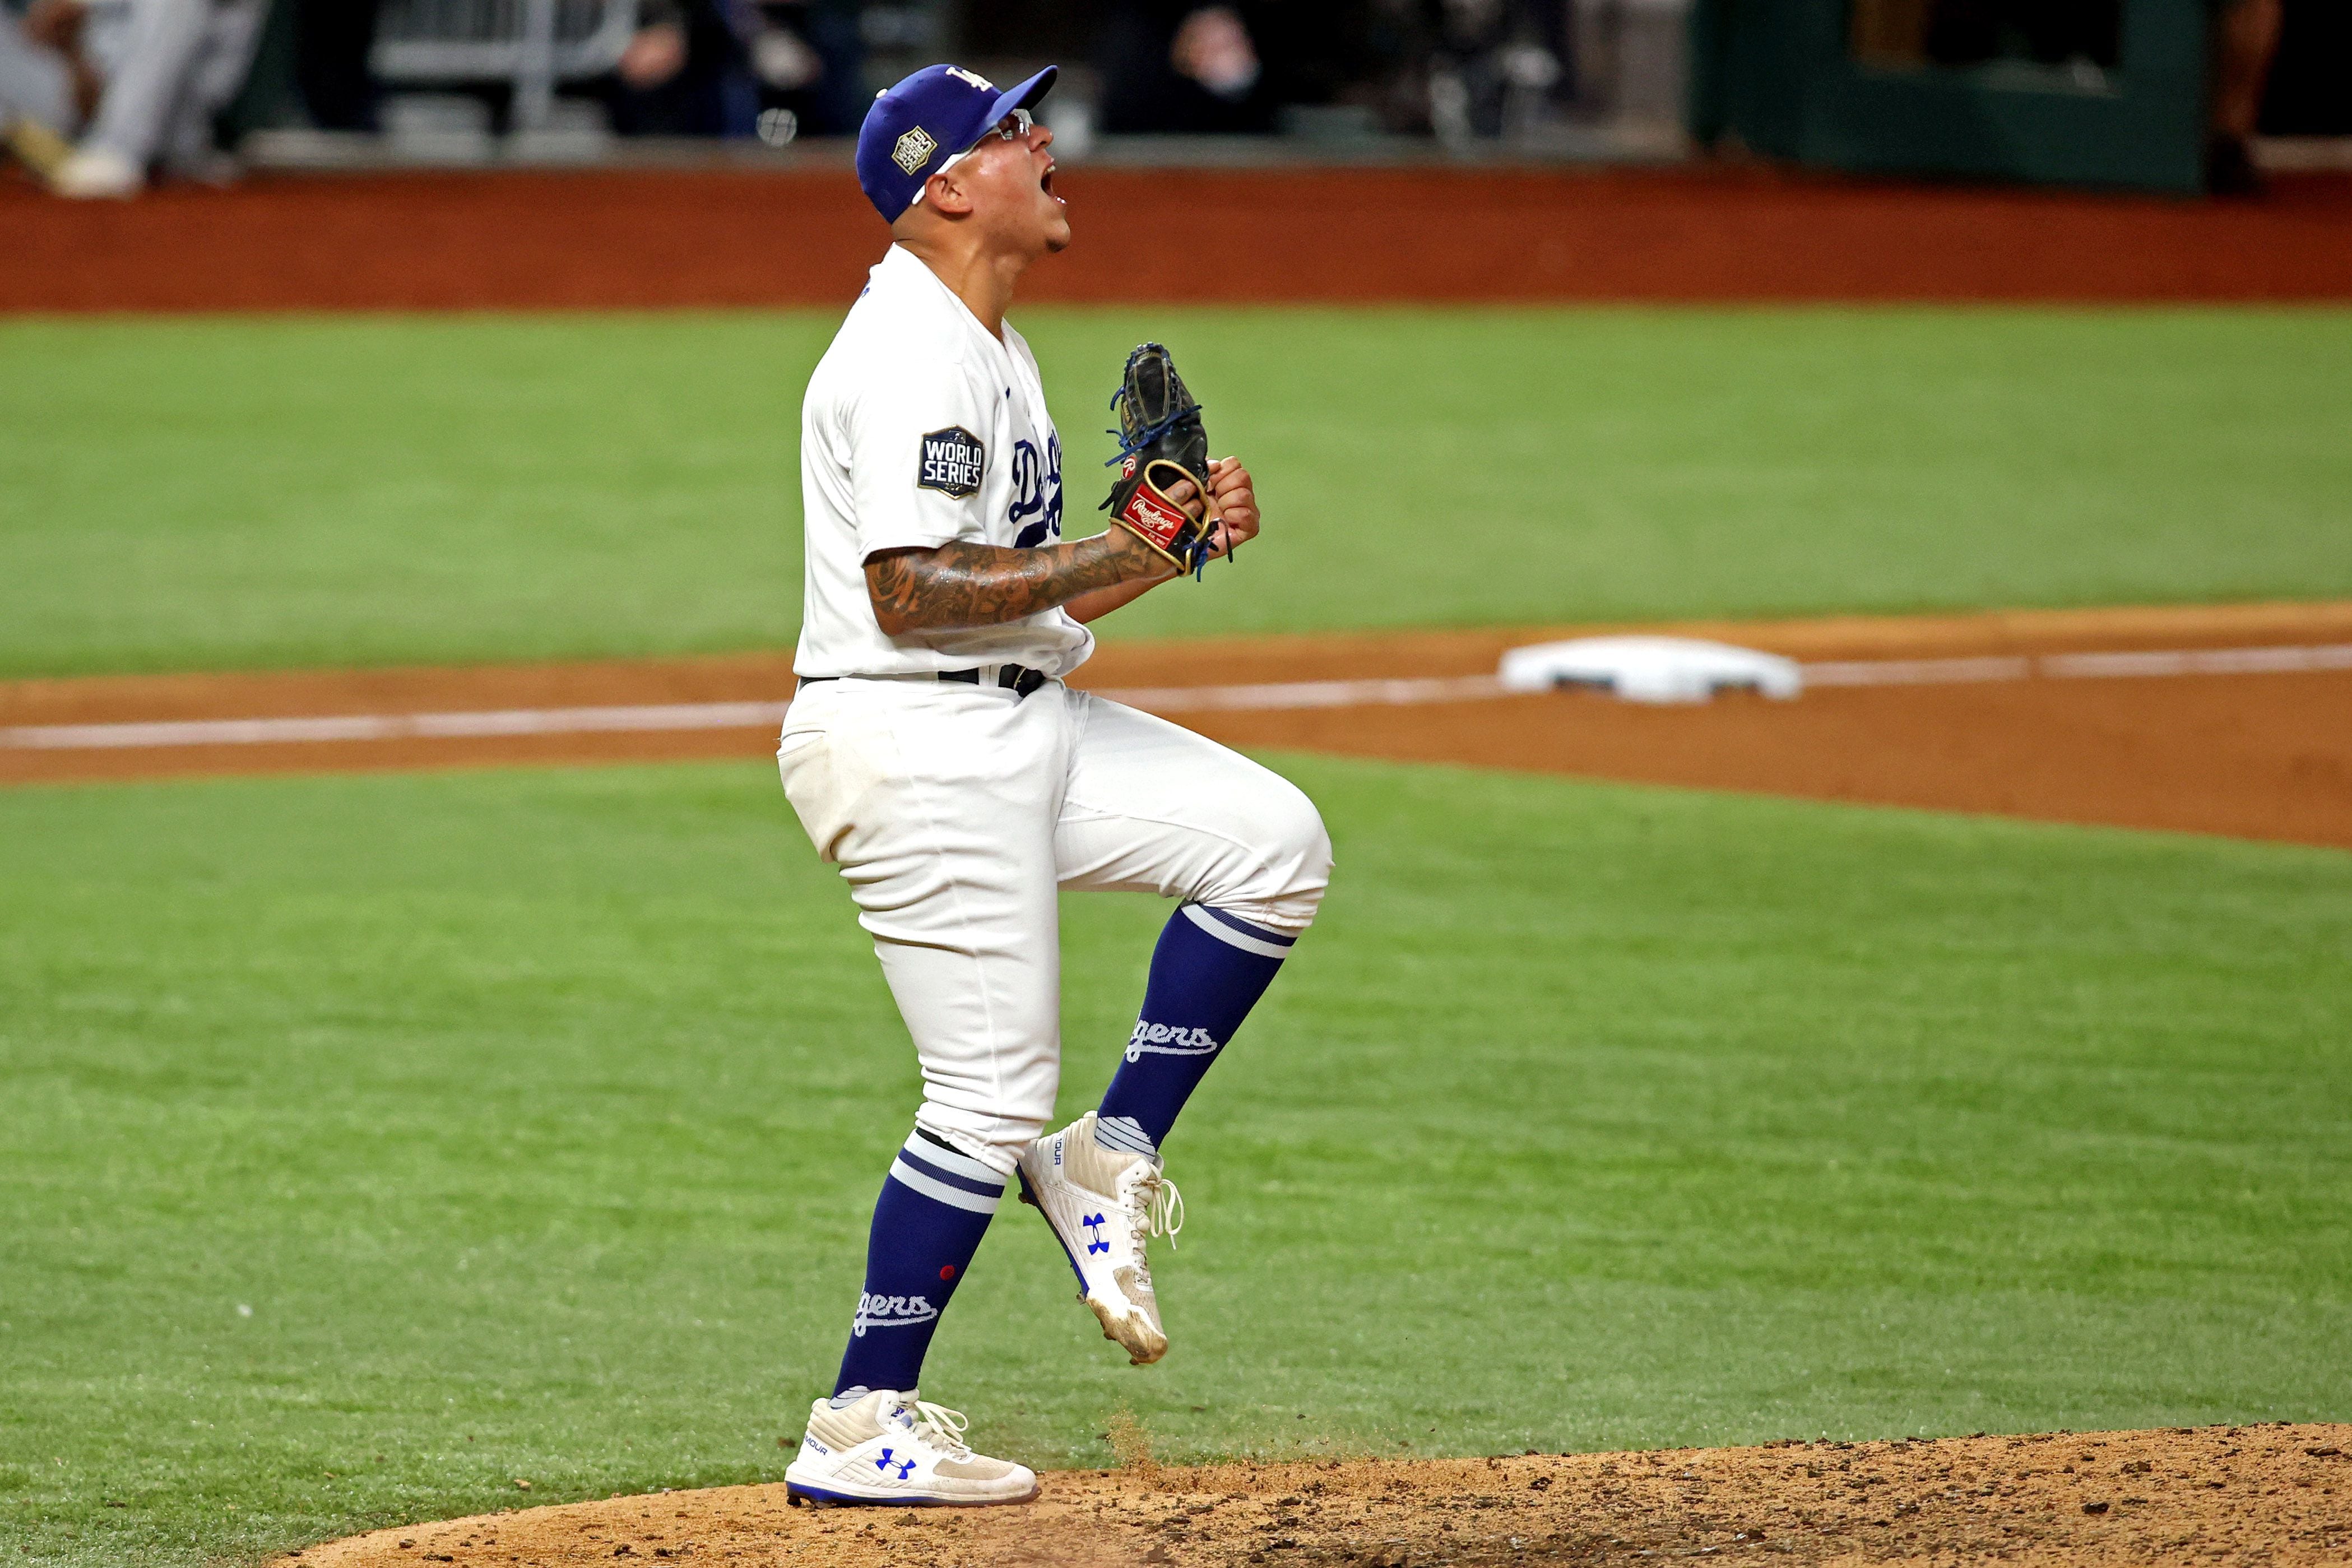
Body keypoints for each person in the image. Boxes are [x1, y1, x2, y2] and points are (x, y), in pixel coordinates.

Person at [772, 62, 1332, 1509]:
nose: (1046, 148)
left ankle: (1108, 1151)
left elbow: (1011, 593)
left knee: (1269, 844)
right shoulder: (910, 355)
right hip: (915, 738)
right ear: (946, 183)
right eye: (1014, 135)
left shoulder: (991, 344)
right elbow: (913, 594)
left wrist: (1167, 541)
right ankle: (860, 1420)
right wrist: (1143, 549)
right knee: (981, 1095)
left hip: (1012, 719)